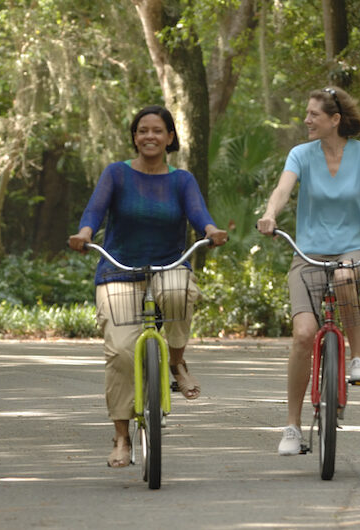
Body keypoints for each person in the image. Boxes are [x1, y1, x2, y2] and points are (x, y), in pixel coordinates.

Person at [68, 105, 228, 468]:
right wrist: (84, 233)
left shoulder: (181, 180)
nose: (150, 136)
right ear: (134, 137)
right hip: (118, 270)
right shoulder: (117, 174)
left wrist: (210, 231)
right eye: (143, 131)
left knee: (178, 293)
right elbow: (94, 211)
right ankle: (122, 438)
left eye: (158, 130)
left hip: (169, 265)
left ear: (170, 137)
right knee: (122, 353)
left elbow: (198, 213)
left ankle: (175, 362)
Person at [257, 87, 360, 456]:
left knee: (344, 277)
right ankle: (292, 426)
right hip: (307, 253)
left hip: (354, 249)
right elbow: (282, 189)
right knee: (303, 335)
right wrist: (270, 214)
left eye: (313, 115)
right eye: (306, 114)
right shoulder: (301, 155)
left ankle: (358, 356)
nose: (306, 120)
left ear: (335, 120)